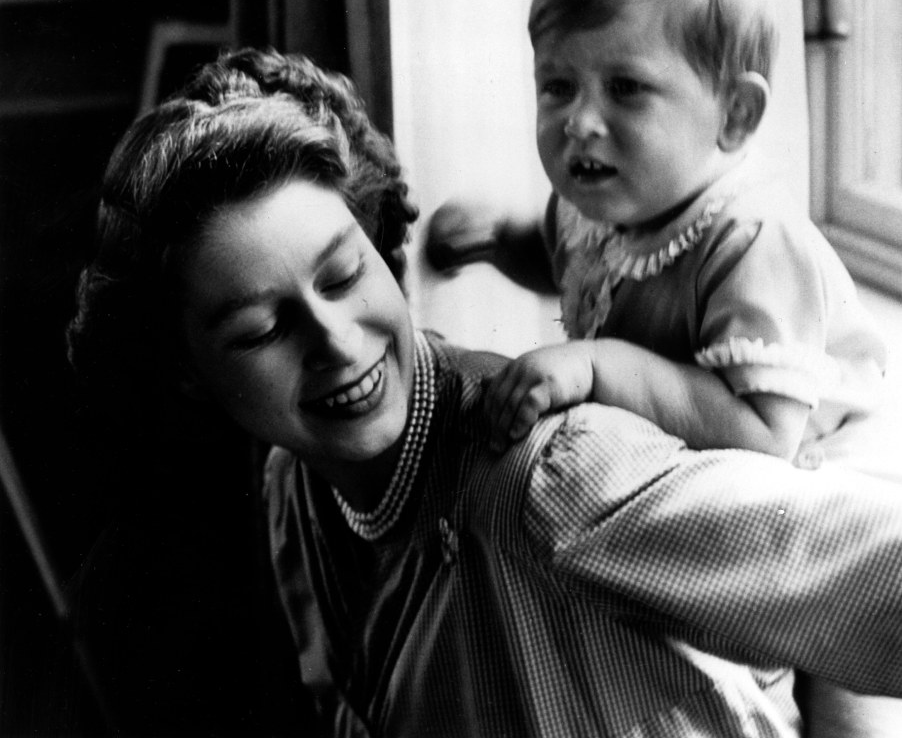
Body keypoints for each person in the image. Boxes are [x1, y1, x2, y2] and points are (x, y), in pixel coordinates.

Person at [67, 47, 902, 738]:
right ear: (188, 372)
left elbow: (871, 569)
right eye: (260, 331)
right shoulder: (297, 492)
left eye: (345, 274)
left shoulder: (552, 479)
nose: (335, 341)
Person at [425, 0, 902, 735]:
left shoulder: (752, 236)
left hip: (821, 477)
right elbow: (573, 266)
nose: (579, 121)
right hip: (698, 460)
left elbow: (761, 441)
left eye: (627, 88)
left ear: (736, 117)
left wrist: (603, 367)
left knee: (839, 685)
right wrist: (498, 242)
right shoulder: (603, 198)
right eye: (557, 86)